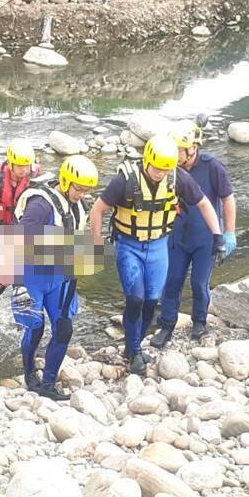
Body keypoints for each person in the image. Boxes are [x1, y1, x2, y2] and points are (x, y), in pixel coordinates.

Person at [89, 135, 222, 375]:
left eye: (165, 169)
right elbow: (98, 209)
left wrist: (218, 234)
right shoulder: (125, 180)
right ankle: (135, 353)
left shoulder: (177, 177)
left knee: (151, 301)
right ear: (147, 159)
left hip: (159, 246)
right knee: (135, 299)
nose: (160, 173)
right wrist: (96, 243)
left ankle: (133, 346)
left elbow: (203, 203)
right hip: (129, 245)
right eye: (157, 168)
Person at [12, 155, 98, 400]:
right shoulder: (40, 205)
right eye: (78, 188)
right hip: (32, 276)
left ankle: (49, 384)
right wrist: (19, 284)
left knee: (64, 329)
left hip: (60, 277)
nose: (81, 194)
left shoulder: (79, 206)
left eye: (86, 190)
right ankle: (30, 373)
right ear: (65, 180)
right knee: (36, 328)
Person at [150, 120, 237, 347]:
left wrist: (229, 232)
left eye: (180, 149)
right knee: (172, 281)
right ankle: (167, 324)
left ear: (193, 147)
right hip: (176, 235)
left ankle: (199, 322)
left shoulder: (212, 166)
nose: (176, 154)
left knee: (199, 283)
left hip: (204, 237)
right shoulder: (168, 169)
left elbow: (228, 198)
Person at [0, 139, 41, 313]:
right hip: (1, 230)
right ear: (11, 164)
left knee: (23, 278)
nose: (24, 170)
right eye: (20, 166)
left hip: (23, 232)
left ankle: (22, 316)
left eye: (27, 166)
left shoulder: (35, 182)